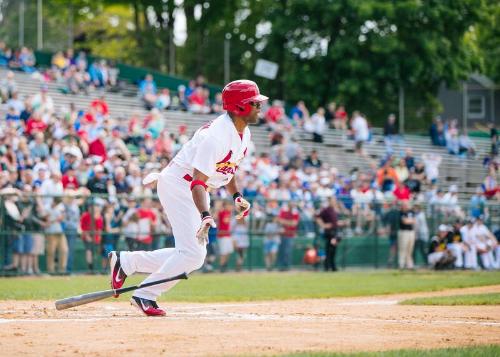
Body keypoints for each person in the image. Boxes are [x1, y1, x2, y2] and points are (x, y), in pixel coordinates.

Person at [108, 80, 267, 316]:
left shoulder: (243, 133)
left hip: (193, 188)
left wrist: (236, 196)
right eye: (254, 103)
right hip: (180, 185)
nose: (259, 107)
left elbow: (228, 168)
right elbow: (198, 181)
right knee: (193, 254)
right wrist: (205, 215)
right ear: (239, 107)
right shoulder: (216, 136)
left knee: (191, 253)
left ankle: (128, 262)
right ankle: (145, 293)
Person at [316, 197, 342, 271]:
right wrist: (323, 225)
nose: (334, 202)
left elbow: (335, 222)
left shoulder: (334, 210)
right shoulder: (326, 210)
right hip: (330, 233)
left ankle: (332, 266)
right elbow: (317, 217)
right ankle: (327, 266)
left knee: (333, 250)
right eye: (333, 201)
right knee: (329, 250)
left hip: (335, 231)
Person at [398, 200, 416, 270]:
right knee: (403, 249)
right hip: (403, 232)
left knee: (410, 249)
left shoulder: (411, 212)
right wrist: (409, 220)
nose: (405, 206)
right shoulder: (401, 212)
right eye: (404, 204)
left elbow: (414, 221)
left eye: (406, 204)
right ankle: (401, 265)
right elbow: (404, 221)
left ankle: (410, 265)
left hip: (411, 232)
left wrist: (408, 220)